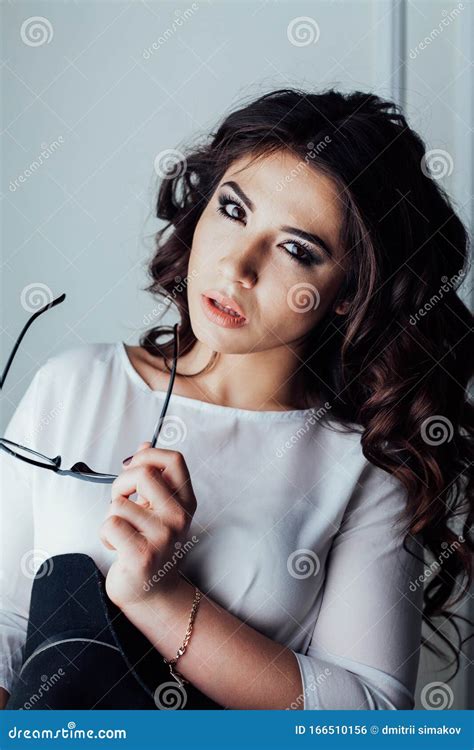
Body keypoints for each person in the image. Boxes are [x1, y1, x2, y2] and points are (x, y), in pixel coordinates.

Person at [1, 88, 472, 710]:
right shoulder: (73, 385)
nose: (238, 267)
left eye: (297, 250)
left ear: (348, 294)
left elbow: (375, 715)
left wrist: (161, 600)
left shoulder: (364, 466)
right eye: (233, 210)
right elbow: (8, 629)